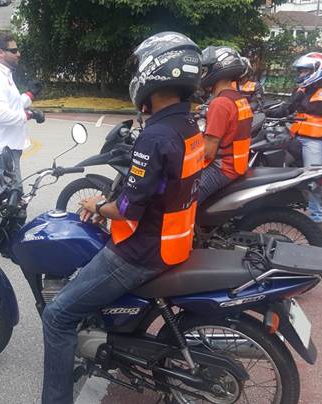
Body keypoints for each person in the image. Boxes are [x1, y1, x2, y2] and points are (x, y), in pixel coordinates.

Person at [40, 31, 204, 404]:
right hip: (172, 240)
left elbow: (128, 209)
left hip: (142, 253)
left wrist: (98, 207)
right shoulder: (189, 127)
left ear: (153, 74)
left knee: (58, 315)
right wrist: (112, 203)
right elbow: (159, 190)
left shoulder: (156, 135)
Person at [267, 52, 322, 223]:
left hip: (315, 142)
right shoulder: (301, 90)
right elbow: (287, 109)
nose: (301, 74)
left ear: (317, 70)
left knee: (312, 179)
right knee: (273, 162)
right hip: (293, 136)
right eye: (300, 71)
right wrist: (262, 112)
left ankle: (316, 219)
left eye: (304, 71)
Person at [0, 32, 45, 179]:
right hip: (2, 149)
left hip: (8, 145)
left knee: (12, 195)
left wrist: (30, 95)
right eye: (13, 51)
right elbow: (1, 114)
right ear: (0, 52)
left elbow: (12, 105)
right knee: (14, 196)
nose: (18, 54)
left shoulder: (4, 74)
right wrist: (29, 115)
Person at [198, 46, 253, 204]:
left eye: (205, 70)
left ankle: (187, 229)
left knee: (181, 199)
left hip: (222, 168)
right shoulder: (239, 99)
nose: (202, 74)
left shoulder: (220, 103)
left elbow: (208, 151)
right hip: (238, 165)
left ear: (217, 70)